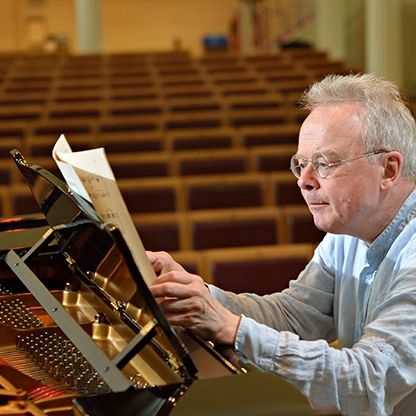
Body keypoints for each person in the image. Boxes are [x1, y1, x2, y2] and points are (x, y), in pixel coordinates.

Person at [147, 73, 416, 416]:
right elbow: (294, 316)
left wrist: (232, 328)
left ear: (389, 169)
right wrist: (195, 296)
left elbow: (368, 380)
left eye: (325, 163)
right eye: (301, 165)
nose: (304, 181)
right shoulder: (345, 233)